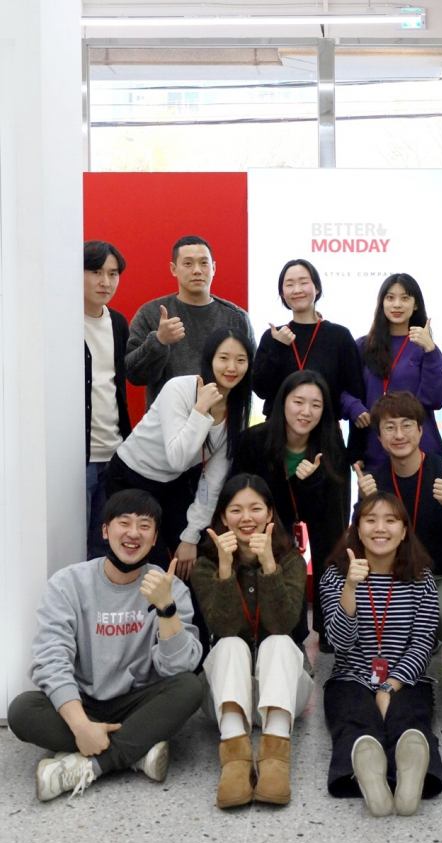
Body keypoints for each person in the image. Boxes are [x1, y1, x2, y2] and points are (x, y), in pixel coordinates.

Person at [7, 490, 203, 802]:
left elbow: (178, 668)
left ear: (154, 538)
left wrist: (166, 609)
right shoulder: (68, 583)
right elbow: (50, 659)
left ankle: (92, 765)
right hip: (83, 700)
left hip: (138, 702)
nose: (133, 533)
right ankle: (137, 750)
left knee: (190, 687)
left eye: (144, 526)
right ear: (105, 531)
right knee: (22, 711)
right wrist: (80, 725)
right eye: (124, 523)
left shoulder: (170, 587)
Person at [190, 474, 312, 809]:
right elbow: (224, 626)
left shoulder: (290, 560)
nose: (246, 518)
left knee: (279, 642)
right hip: (227, 696)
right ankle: (235, 758)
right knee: (230, 644)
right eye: (236, 510)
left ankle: (274, 758)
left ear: (270, 513)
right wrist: (225, 569)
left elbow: (283, 623)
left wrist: (269, 565)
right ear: (223, 516)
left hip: (283, 692)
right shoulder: (206, 565)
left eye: (256, 508)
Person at [320, 491, 442, 817]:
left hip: (406, 679)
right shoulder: (335, 576)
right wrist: (350, 588)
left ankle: (410, 773)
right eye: (371, 520)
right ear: (357, 529)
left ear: (403, 531)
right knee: (355, 719)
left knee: (410, 718)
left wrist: (389, 686)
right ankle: (369, 772)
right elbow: (338, 643)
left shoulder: (421, 578)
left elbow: (423, 644)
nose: (380, 528)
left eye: (390, 520)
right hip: (351, 677)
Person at [108, 327, 253, 582]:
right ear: (209, 359)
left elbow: (214, 479)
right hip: (130, 478)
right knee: (150, 564)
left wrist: (191, 536)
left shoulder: (236, 407)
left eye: (241, 360)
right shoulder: (179, 389)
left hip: (172, 483)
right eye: (224, 358)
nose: (232, 367)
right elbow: (178, 458)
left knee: (194, 559)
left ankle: (185, 610)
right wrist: (200, 410)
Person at [355, 391, 442, 681]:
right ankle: (404, 652)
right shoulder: (375, 480)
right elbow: (358, 540)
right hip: (397, 574)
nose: (399, 435)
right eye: (389, 427)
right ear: (379, 437)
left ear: (421, 430)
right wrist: (363, 504)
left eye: (407, 425)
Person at [231, 370, 347, 647]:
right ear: (283, 401)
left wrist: (312, 483)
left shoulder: (330, 444)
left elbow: (332, 515)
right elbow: (240, 498)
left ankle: (329, 628)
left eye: (316, 405)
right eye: (298, 402)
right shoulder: (254, 441)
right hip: (266, 523)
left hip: (317, 518)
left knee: (332, 549)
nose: (306, 412)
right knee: (291, 629)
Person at [126, 235, 255, 409]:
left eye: (204, 263)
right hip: (168, 419)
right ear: (174, 269)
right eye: (188, 264)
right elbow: (133, 375)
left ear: (214, 268)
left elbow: (252, 374)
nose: (197, 270)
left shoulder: (237, 318)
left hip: (222, 418)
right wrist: (159, 341)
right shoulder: (151, 314)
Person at [341, 272, 442, 470]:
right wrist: (354, 407)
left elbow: (436, 399)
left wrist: (430, 350)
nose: (397, 304)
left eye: (405, 298)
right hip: (374, 449)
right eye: (390, 298)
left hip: (420, 451)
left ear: (415, 305)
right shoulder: (362, 346)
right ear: (381, 303)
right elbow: (340, 390)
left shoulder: (425, 348)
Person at [252, 258, 364, 422]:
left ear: (317, 288)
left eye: (303, 282)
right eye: (289, 284)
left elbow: (354, 391)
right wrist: (278, 347)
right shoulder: (274, 336)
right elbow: (260, 390)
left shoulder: (339, 336)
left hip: (324, 429)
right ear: (282, 293)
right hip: (278, 430)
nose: (297, 290)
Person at [84, 240, 131, 559]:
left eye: (113, 274)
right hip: (76, 458)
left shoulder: (118, 322)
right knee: (70, 542)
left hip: (114, 453)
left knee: (105, 547)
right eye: (96, 272)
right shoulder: (61, 322)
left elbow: (117, 387)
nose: (106, 282)